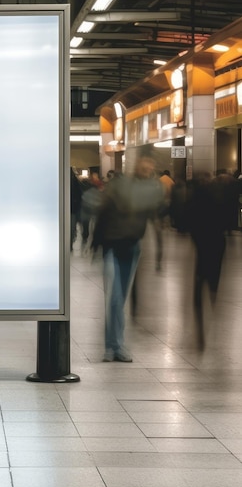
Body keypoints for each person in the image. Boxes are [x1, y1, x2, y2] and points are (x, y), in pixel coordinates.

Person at [94, 155, 164, 362]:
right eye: (145, 162)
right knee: (115, 298)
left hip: (132, 247)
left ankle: (116, 345)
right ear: (137, 164)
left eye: (151, 163)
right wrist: (95, 243)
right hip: (112, 247)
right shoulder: (120, 185)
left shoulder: (152, 189)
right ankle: (114, 345)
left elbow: (154, 216)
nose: (148, 166)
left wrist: (160, 250)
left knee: (120, 299)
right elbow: (103, 212)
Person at [186, 171, 228, 348]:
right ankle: (213, 302)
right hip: (216, 243)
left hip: (204, 244)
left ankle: (202, 322)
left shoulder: (195, 198)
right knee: (212, 280)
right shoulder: (218, 196)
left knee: (200, 281)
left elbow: (189, 222)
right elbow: (224, 219)